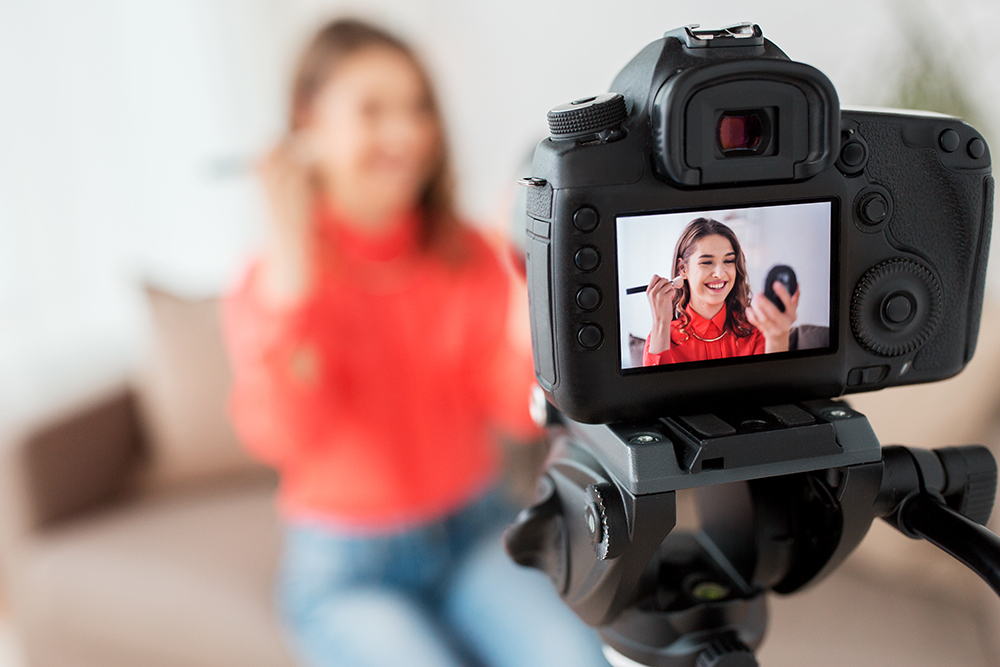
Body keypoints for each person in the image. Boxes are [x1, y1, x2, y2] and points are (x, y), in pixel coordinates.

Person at [221, 18, 607, 667]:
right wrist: (294, 273)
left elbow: (516, 413)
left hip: (477, 531)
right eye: (373, 111)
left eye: (418, 108)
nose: (405, 133)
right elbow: (283, 434)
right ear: (307, 124)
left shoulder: (469, 254)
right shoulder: (271, 280)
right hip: (348, 567)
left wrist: (526, 283)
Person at [643, 217, 799, 366]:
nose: (720, 273)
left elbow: (772, 390)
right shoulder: (661, 337)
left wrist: (778, 338)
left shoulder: (756, 330)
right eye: (707, 262)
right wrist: (660, 323)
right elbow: (657, 391)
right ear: (682, 269)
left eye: (728, 261)